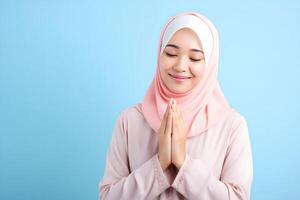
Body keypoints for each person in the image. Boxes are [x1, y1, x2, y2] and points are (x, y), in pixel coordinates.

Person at [98, 11, 253, 200]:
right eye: (171, 53)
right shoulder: (129, 121)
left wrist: (183, 163)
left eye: (195, 58)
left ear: (210, 63)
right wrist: (159, 163)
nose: (180, 66)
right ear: (159, 54)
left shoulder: (231, 126)